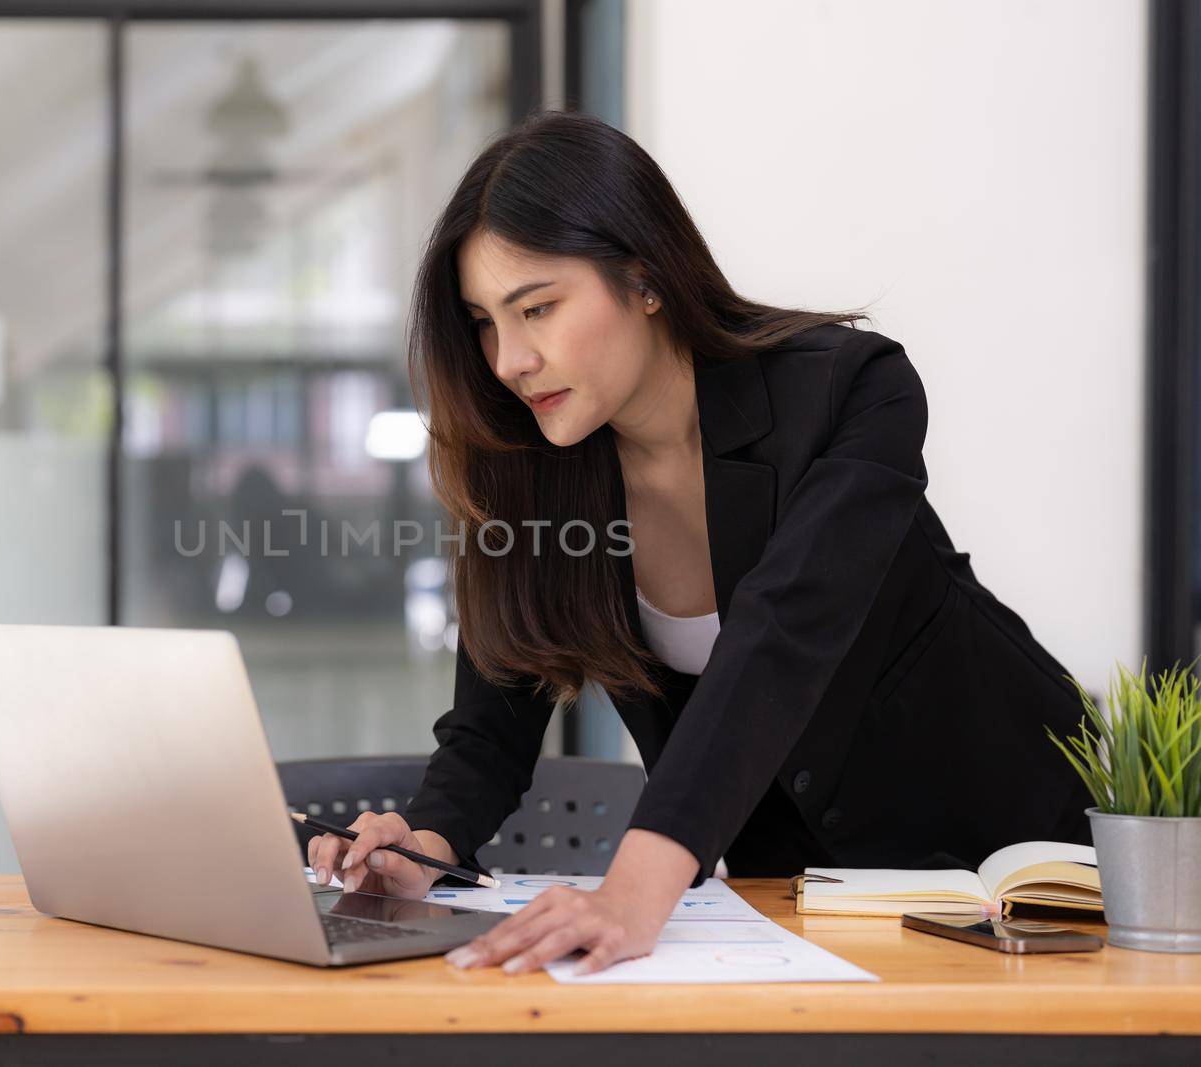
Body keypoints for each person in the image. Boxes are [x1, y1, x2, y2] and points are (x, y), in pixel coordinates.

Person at [305, 110, 1093, 978]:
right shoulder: (536, 468)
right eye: (484, 322)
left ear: (645, 280)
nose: (508, 360)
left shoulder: (851, 392)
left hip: (1027, 870)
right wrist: (423, 844)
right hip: (809, 909)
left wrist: (636, 886)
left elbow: (783, 635)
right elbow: (494, 719)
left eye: (537, 308)